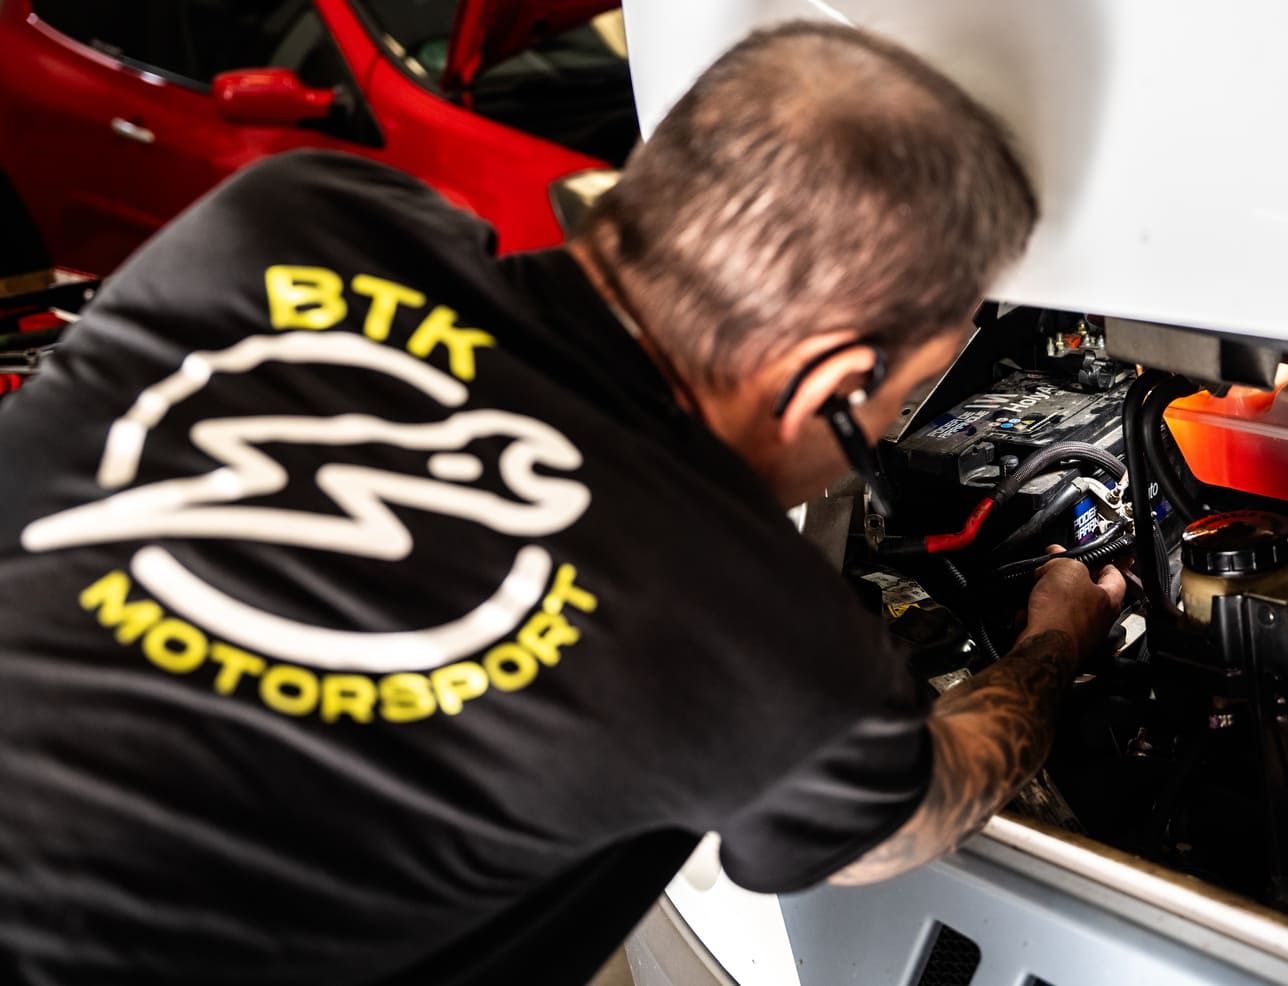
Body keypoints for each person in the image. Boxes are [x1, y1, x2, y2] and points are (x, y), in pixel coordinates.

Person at [0, 21, 1124, 986]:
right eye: (884, 407)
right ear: (826, 381)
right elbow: (906, 817)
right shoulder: (753, 638)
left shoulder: (291, 217)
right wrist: (1055, 636)